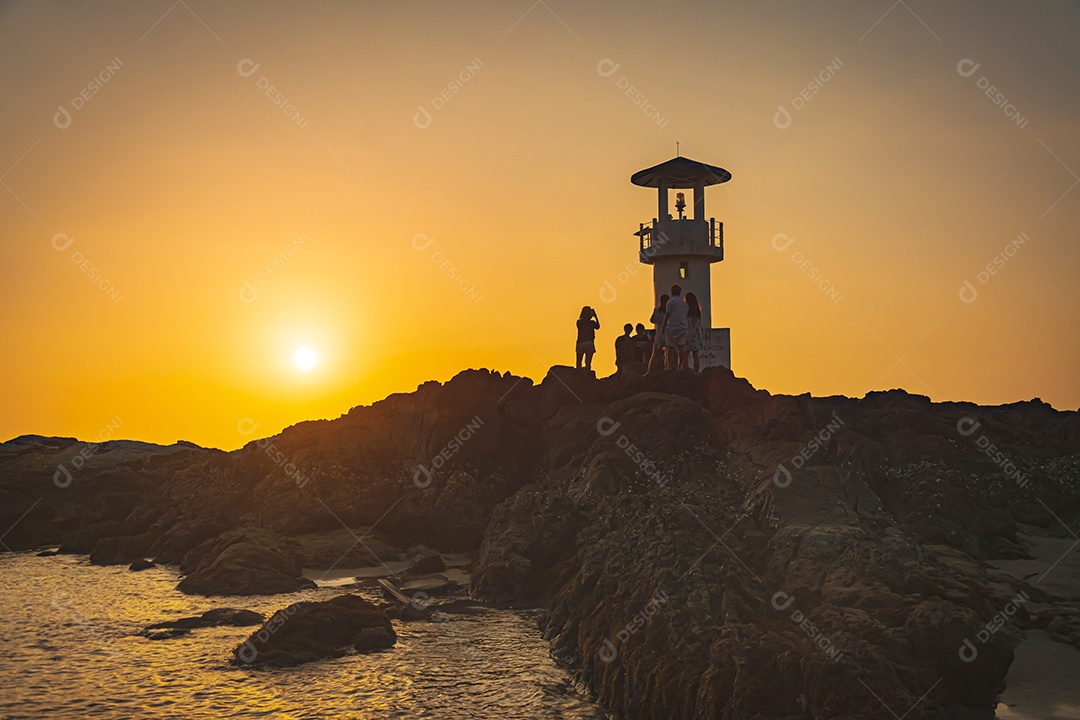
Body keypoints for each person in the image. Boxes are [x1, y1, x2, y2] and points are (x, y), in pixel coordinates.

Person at [659, 284, 689, 371]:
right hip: (683, 327)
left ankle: (669, 366)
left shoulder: (670, 302)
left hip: (673, 327)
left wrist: (663, 326)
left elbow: (667, 314)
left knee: (670, 347)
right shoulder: (684, 304)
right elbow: (685, 315)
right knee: (681, 346)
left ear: (672, 292)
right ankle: (680, 365)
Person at [644, 294, 669, 374]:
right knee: (668, 353)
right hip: (668, 334)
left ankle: (649, 371)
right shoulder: (669, 311)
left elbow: (652, 320)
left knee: (654, 354)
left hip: (658, 334)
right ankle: (667, 368)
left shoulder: (657, 311)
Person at [575, 306, 600, 371]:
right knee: (588, 362)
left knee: (578, 362)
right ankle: (587, 374)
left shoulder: (579, 322)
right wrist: (595, 316)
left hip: (580, 343)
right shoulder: (591, 323)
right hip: (589, 342)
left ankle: (578, 374)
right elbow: (598, 327)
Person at [685, 292, 704, 374]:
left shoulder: (686, 311)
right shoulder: (697, 310)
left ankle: (683, 370)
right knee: (695, 356)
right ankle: (696, 372)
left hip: (688, 333)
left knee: (685, 354)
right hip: (696, 333)